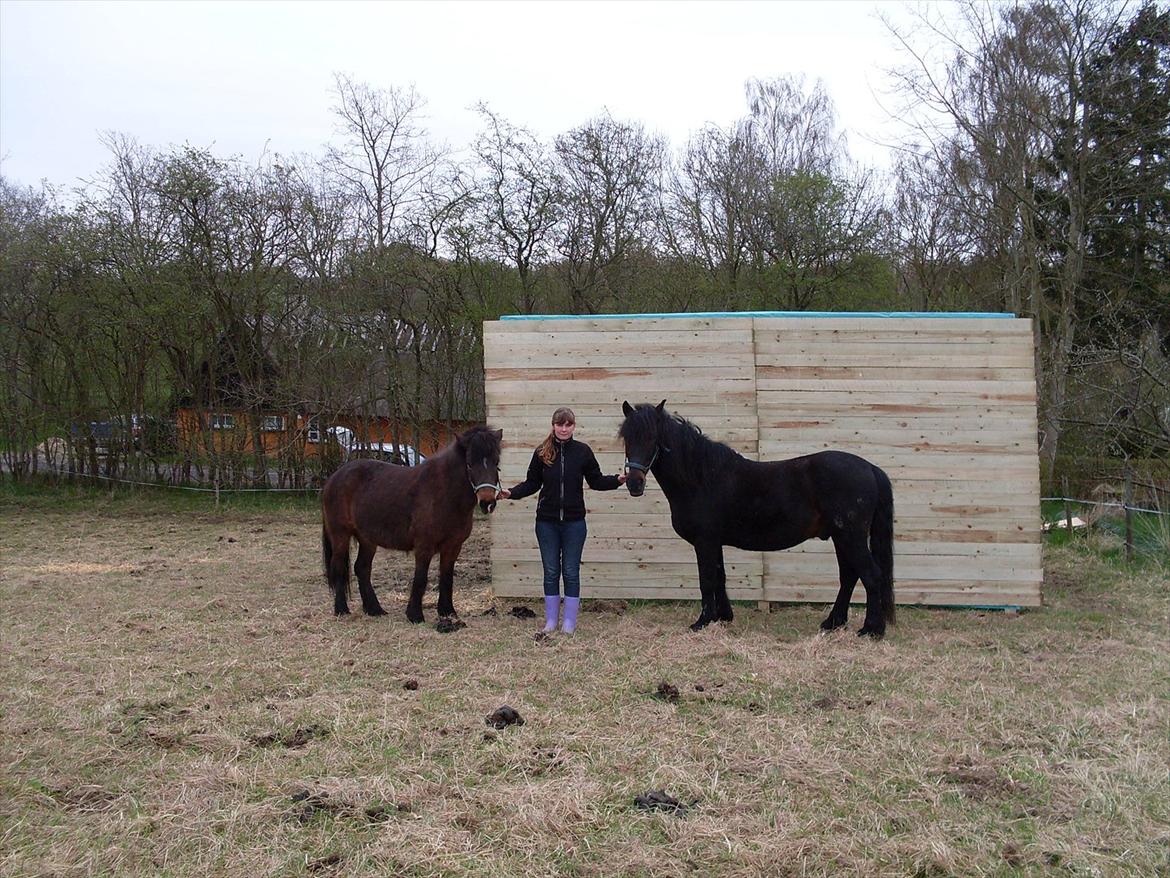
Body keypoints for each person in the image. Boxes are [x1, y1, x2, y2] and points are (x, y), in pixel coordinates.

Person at [498, 407, 626, 633]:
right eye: (560, 424)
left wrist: (617, 479)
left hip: (574, 523)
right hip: (546, 523)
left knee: (570, 571)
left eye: (568, 425)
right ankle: (551, 621)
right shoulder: (541, 453)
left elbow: (596, 480)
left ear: (574, 426)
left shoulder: (583, 452)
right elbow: (531, 483)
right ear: (553, 425)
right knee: (551, 571)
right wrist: (511, 492)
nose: (564, 429)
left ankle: (569, 622)